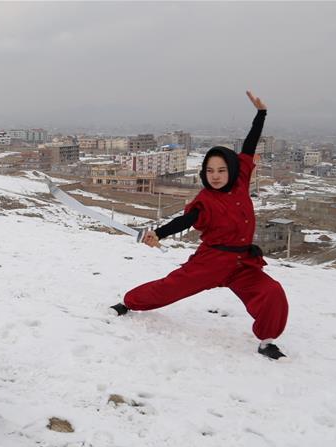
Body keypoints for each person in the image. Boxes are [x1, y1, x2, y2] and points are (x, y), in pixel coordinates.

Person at [109, 91, 289, 360]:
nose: (215, 176)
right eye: (209, 171)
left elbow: (249, 146)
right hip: (210, 262)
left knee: (271, 292)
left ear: (231, 170)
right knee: (169, 288)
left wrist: (261, 114)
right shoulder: (205, 200)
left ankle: (266, 341)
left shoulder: (241, 181)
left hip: (243, 264)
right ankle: (128, 302)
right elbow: (185, 220)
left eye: (221, 170)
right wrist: (157, 233)